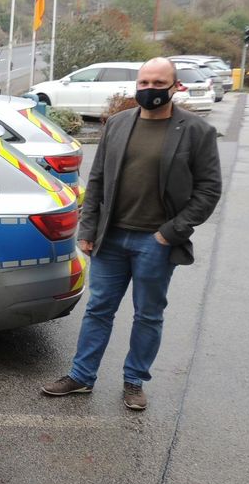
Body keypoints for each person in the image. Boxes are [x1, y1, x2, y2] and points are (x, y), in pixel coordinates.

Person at [40, 57, 221, 410]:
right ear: (136, 86)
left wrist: (171, 232)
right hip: (111, 238)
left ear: (174, 87)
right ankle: (81, 376)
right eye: (144, 83)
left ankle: (134, 381)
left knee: (148, 314)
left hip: (155, 241)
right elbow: (96, 181)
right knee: (98, 309)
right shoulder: (119, 124)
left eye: (158, 84)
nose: (150, 90)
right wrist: (88, 229)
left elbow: (209, 190)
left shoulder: (197, 131)